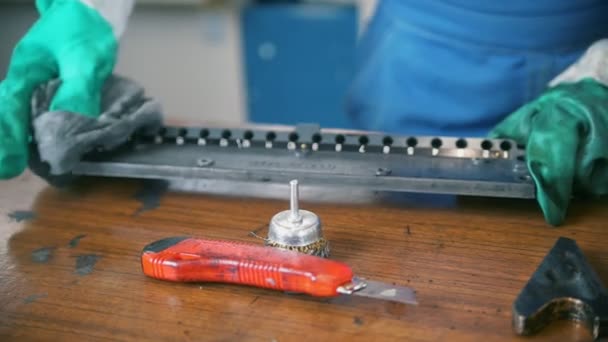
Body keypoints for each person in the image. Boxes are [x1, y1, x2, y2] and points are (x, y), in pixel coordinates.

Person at [0, 0, 606, 226]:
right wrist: (91, 7)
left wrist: (599, 84)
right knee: (408, 235)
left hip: (590, 49)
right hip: (418, 52)